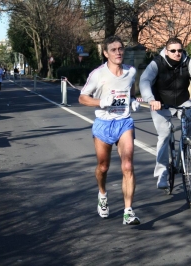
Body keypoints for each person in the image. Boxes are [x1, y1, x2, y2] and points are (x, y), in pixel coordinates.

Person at [78, 35, 141, 225]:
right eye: (113, 50)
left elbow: (130, 91)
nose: (118, 52)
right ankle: (102, 195)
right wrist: (101, 102)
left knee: (128, 166)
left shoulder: (131, 72)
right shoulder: (98, 74)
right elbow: (82, 98)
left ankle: (128, 211)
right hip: (103, 124)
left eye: (120, 48)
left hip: (124, 122)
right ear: (105, 53)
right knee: (103, 167)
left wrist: (132, 101)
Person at [139, 37, 191, 189]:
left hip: (182, 101)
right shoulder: (157, 63)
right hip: (160, 104)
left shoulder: (188, 62)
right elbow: (144, 80)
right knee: (165, 134)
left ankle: (187, 143)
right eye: (173, 51)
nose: (177, 53)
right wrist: (150, 99)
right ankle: (162, 173)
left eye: (180, 50)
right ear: (166, 51)